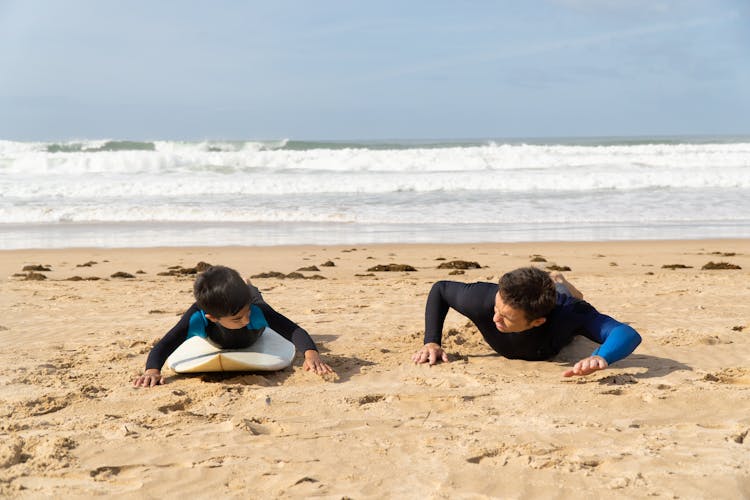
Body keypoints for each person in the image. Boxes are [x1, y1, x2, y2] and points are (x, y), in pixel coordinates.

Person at [411, 267, 641, 377]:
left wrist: (602, 356)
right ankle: (553, 279)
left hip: (562, 302)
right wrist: (431, 341)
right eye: (496, 308)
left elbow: (626, 333)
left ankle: (558, 280)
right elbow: (440, 289)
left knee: (566, 294)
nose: (495, 318)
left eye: (506, 317)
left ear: (537, 322)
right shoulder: (482, 297)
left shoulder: (569, 314)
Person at [133, 265, 334, 387]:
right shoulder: (198, 318)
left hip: (252, 311)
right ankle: (244, 285)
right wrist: (152, 370)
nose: (246, 320)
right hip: (226, 318)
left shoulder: (255, 311)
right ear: (212, 318)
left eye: (246, 314)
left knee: (255, 299)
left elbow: (293, 330)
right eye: (238, 319)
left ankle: (248, 286)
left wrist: (311, 353)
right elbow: (165, 344)